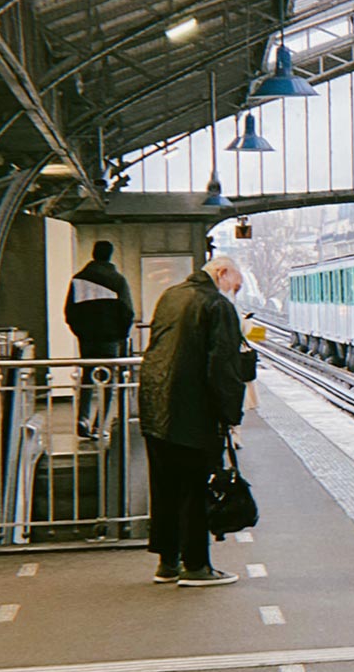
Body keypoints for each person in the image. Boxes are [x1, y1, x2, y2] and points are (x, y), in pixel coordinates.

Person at [139, 255, 248, 587]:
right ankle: (197, 566)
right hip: (192, 412)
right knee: (194, 489)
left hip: (155, 407)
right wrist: (231, 415)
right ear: (222, 272)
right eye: (235, 285)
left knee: (165, 488)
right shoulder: (216, 306)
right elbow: (223, 366)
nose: (234, 293)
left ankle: (167, 563)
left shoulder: (170, 296)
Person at [63, 239, 135, 439]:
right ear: (110, 255)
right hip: (110, 341)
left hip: (87, 340)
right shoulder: (117, 280)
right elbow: (127, 311)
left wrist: (80, 332)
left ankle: (82, 419)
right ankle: (98, 425)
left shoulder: (78, 279)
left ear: (94, 254)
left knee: (87, 378)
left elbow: (69, 312)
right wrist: (121, 335)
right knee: (107, 382)